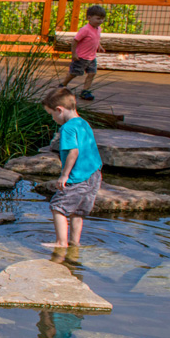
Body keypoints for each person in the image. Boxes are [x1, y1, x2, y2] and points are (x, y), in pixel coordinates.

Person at [42, 87, 103, 247]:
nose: (53, 118)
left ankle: (61, 242)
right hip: (94, 175)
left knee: (57, 207)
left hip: (77, 176)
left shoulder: (68, 128)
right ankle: (75, 242)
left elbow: (73, 152)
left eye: (51, 114)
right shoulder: (83, 123)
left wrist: (64, 175)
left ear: (59, 110)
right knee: (77, 211)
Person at [58, 4, 106, 102]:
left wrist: (99, 46)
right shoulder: (85, 30)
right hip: (81, 57)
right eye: (98, 19)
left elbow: (96, 39)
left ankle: (85, 91)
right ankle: (62, 85)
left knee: (92, 73)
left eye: (102, 19)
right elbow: (75, 41)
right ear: (89, 18)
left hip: (91, 57)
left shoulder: (98, 29)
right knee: (74, 73)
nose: (100, 21)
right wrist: (74, 54)